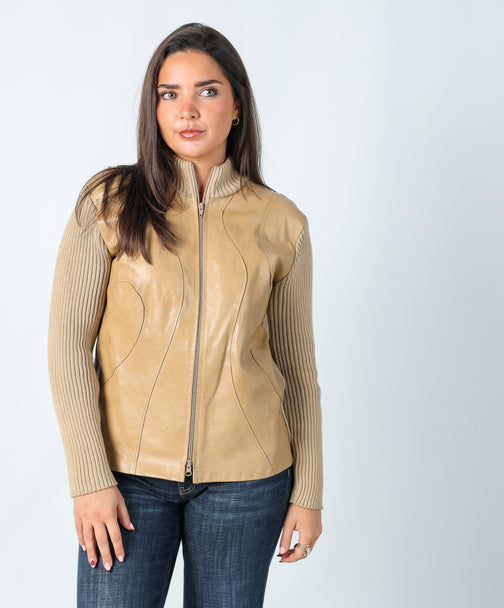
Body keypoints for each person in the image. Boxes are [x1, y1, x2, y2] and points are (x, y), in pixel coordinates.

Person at [48, 22, 323, 608]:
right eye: (169, 93)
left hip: (247, 482)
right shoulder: (109, 202)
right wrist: (89, 478)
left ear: (237, 106)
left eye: (207, 91)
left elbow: (298, 370)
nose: (187, 110)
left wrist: (309, 491)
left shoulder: (281, 223)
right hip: (127, 476)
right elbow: (68, 348)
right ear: (154, 109)